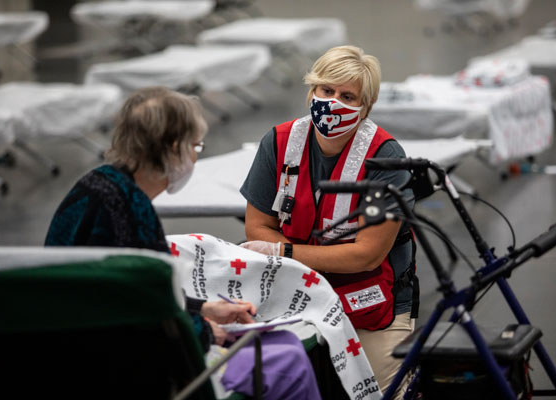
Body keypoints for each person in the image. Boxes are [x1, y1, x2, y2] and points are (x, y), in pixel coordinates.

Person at [44, 86, 320, 399]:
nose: (194, 156)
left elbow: (135, 294)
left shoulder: (96, 185)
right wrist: (205, 331)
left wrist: (203, 307)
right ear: (174, 147)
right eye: (196, 145)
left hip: (76, 351)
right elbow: (148, 317)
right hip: (124, 368)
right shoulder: (132, 211)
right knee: (289, 358)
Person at [240, 45, 419, 397]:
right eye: (326, 90)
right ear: (312, 91)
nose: (333, 102)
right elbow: (256, 227)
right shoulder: (278, 143)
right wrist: (284, 251)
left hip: (370, 302)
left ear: (365, 107)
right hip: (295, 295)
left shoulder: (385, 157)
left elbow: (365, 255)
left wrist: (283, 251)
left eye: (348, 96)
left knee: (378, 393)